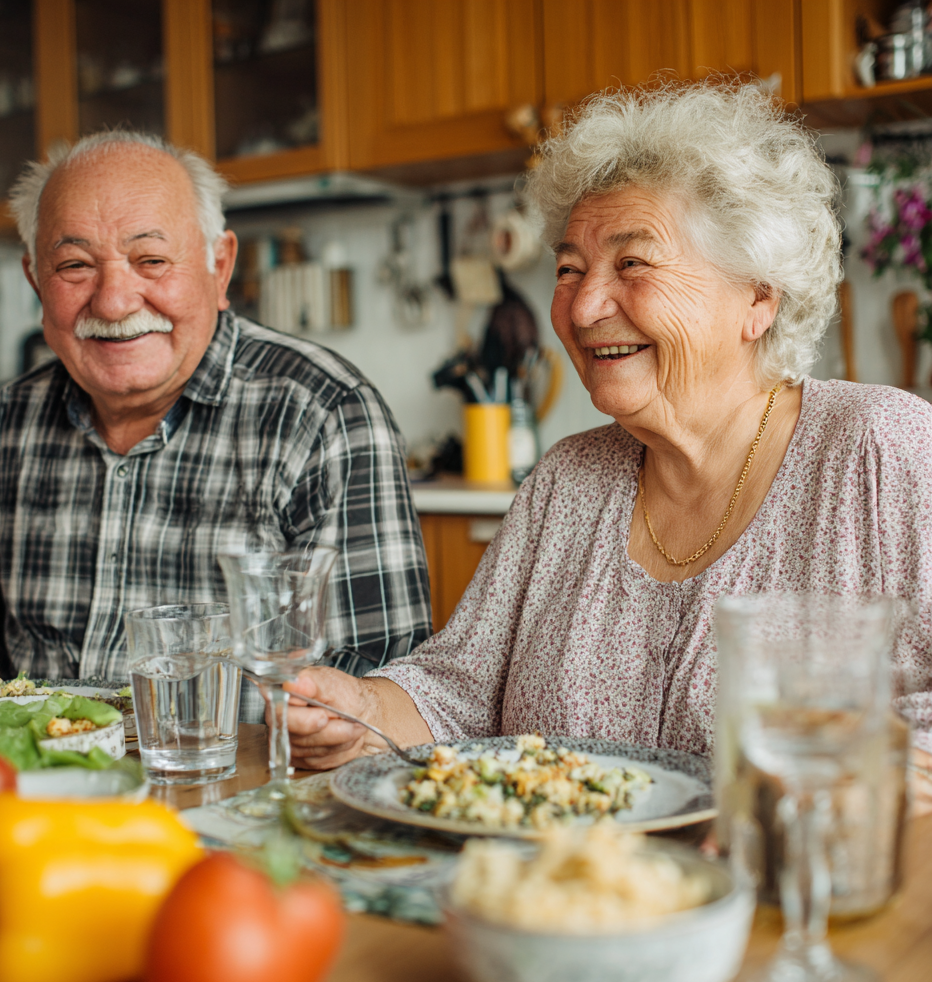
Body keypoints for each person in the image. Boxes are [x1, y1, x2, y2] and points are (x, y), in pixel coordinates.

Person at [285, 80, 932, 771]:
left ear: (757, 298)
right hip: (561, 875)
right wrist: (360, 713)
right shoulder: (568, 480)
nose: (586, 304)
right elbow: (455, 696)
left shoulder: (882, 449)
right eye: (569, 268)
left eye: (632, 263)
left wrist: (829, 784)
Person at [0, 130, 431, 718]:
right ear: (36, 280)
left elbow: (383, 683)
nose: (113, 302)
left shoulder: (323, 413)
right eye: (76, 265)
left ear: (220, 266)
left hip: (238, 799)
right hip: (42, 794)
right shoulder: (10, 422)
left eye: (151, 260)